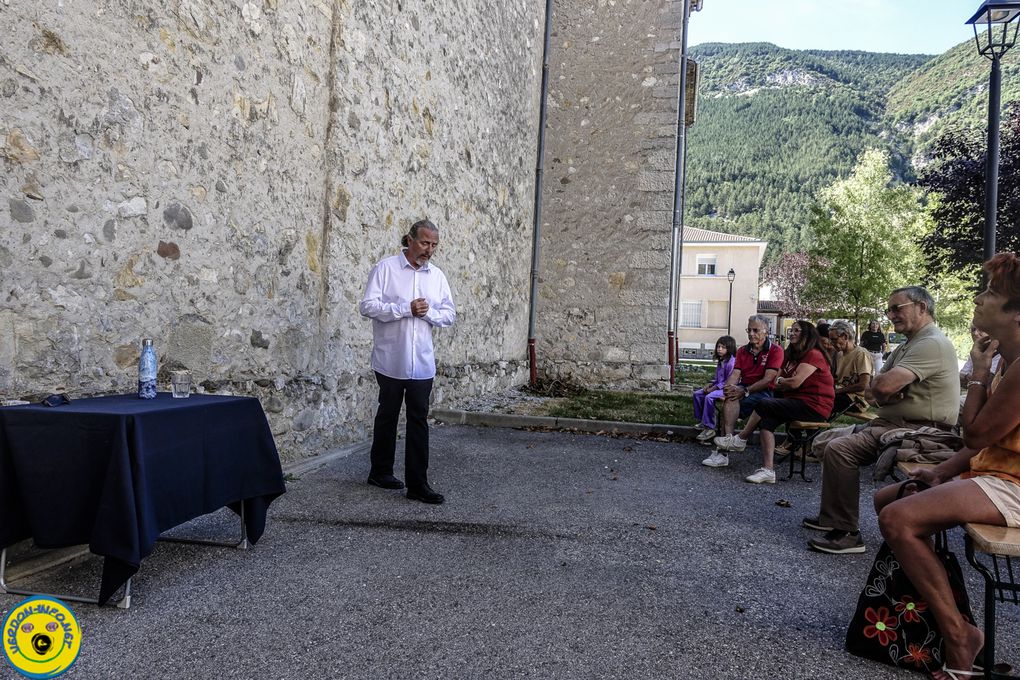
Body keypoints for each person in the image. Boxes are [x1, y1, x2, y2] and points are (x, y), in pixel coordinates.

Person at [874, 253, 1020, 680]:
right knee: (889, 498)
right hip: (995, 474)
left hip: (1014, 485)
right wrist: (941, 472)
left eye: (992, 293)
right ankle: (944, 616)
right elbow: (984, 443)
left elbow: (974, 433)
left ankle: (958, 636)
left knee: (899, 519)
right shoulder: (1004, 360)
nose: (979, 298)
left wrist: (975, 373)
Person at [804, 286, 960, 554]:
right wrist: (884, 391)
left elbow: (882, 387)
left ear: (921, 307)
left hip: (916, 430)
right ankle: (832, 519)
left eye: (896, 308)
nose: (890, 315)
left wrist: (884, 391)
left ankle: (847, 534)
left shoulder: (931, 343)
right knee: (824, 441)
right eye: (888, 309)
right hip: (890, 424)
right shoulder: (909, 344)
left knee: (840, 449)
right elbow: (871, 391)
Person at [359, 219, 456, 504]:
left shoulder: (437, 276)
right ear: (410, 239)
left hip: (422, 363)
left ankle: (418, 484)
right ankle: (380, 471)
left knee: (418, 420)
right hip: (391, 358)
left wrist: (427, 314)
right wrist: (405, 309)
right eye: (425, 243)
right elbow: (368, 306)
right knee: (388, 415)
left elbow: (449, 314)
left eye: (434, 245)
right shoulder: (385, 269)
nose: (430, 250)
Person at [708, 320, 834, 482]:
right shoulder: (790, 354)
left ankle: (741, 439)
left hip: (814, 406)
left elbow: (793, 382)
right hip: (794, 400)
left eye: (797, 330)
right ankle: (768, 471)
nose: (792, 333)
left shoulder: (813, 355)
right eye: (792, 330)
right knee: (766, 421)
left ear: (807, 335)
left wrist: (781, 381)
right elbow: (779, 381)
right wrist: (730, 387)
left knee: (764, 404)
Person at [703, 315, 784, 466]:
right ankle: (727, 444)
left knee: (735, 396)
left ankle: (724, 451)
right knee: (730, 396)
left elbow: (768, 379)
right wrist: (728, 388)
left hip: (765, 391)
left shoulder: (776, 350)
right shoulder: (742, 351)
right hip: (745, 387)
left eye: (755, 330)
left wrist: (744, 391)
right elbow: (736, 373)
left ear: (766, 331)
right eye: (749, 330)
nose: (751, 334)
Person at [693, 336, 737, 443]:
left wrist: (713, 389)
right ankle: (703, 421)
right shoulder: (721, 361)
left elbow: (727, 381)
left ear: (729, 349)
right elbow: (718, 379)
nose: (719, 349)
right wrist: (710, 385)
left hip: (727, 388)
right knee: (697, 394)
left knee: (709, 397)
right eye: (718, 346)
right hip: (718, 386)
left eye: (723, 347)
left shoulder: (731, 362)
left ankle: (710, 427)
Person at [829, 320, 873, 414]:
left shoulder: (861, 353)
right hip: (843, 394)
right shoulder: (839, 354)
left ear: (845, 336)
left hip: (857, 400)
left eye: (834, 339)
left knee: (822, 402)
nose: (831, 343)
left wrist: (838, 391)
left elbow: (863, 385)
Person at [959, 322, 1001, 409]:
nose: (975, 333)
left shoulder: (1001, 356)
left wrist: (971, 378)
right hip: (969, 395)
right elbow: (960, 378)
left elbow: (989, 381)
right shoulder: (976, 352)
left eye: (981, 330)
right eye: (973, 329)